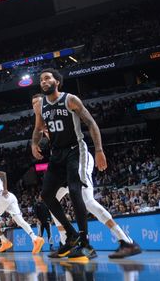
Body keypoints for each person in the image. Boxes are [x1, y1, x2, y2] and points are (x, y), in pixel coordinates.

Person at [31, 94, 142, 260]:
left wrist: (98, 150)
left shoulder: (60, 109)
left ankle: (126, 241)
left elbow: (84, 125)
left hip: (79, 158)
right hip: (63, 166)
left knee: (87, 202)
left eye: (37, 102)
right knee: (49, 199)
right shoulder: (43, 119)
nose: (35, 105)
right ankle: (67, 243)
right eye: (33, 104)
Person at [31, 69, 106, 262]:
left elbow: (91, 123)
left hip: (75, 150)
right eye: (41, 80)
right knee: (46, 195)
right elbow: (38, 128)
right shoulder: (40, 105)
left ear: (57, 81)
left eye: (47, 78)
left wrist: (98, 150)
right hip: (57, 154)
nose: (44, 81)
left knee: (75, 191)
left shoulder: (70, 99)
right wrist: (34, 143)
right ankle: (72, 235)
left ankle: (86, 243)